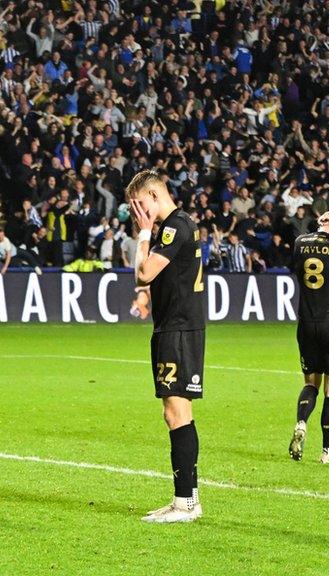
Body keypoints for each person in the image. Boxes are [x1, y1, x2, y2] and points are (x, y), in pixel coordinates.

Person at [128, 169, 205, 523]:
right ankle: (186, 499)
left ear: (155, 195)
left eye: (140, 204)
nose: (137, 212)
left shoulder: (175, 226)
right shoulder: (173, 227)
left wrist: (144, 234)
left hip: (179, 330)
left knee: (176, 414)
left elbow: (144, 273)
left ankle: (185, 503)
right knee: (175, 413)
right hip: (172, 328)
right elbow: (144, 276)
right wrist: (145, 235)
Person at [288, 210, 329, 464]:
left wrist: (326, 224)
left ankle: (301, 422)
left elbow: (306, 248)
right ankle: (328, 451)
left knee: (310, 383)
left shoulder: (300, 243)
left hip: (307, 323)